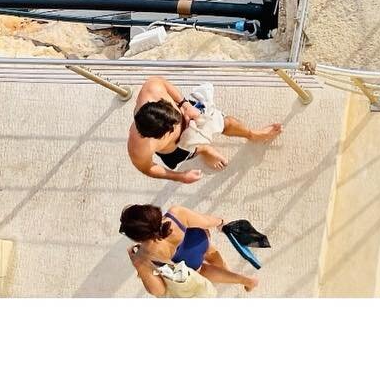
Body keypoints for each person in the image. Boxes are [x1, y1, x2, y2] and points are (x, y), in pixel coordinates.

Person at [127, 76, 282, 182]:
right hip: (177, 149)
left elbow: (160, 81)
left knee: (225, 122)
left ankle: (251, 134)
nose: (183, 122)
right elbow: (148, 169)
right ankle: (204, 150)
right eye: (174, 125)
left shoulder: (151, 90)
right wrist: (180, 176)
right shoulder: (139, 148)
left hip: (190, 111)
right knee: (194, 151)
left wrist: (184, 106)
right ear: (159, 136)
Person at [119, 204, 258, 295]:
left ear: (138, 237)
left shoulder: (145, 254)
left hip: (188, 260)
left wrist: (138, 263)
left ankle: (245, 280)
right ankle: (227, 272)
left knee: (203, 270)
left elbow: (159, 291)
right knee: (210, 252)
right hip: (199, 239)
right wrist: (221, 222)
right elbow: (206, 221)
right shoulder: (175, 213)